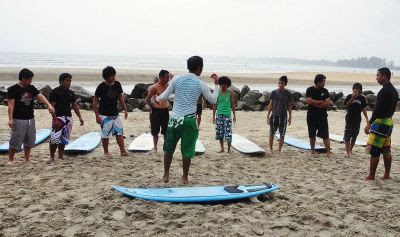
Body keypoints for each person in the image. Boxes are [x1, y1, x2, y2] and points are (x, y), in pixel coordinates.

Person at [155, 56, 219, 184]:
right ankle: (184, 177)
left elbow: (164, 96)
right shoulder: (200, 83)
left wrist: (155, 100)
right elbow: (213, 100)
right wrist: (216, 85)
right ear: (200, 68)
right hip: (189, 120)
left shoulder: (177, 79)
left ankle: (166, 175)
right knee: (187, 149)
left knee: (169, 148)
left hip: (175, 119)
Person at [7, 68, 55, 165]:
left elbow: (40, 96)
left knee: (29, 140)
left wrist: (49, 105)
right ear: (23, 78)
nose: (31, 81)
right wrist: (10, 119)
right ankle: (11, 159)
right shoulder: (13, 89)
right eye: (29, 79)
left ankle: (27, 159)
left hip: (30, 118)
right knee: (15, 139)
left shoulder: (31, 88)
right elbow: (11, 105)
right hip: (18, 119)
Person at [364, 68, 398, 180]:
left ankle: (371, 175)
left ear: (384, 76)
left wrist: (369, 123)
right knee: (386, 149)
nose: (376, 77)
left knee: (374, 150)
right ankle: (386, 174)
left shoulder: (384, 91)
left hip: (380, 123)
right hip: (389, 122)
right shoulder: (394, 90)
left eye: (378, 75)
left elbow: (377, 110)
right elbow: (393, 108)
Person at [93, 66, 129, 158]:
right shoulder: (101, 87)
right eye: (111, 76)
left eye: (114, 75)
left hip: (115, 113)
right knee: (105, 134)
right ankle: (106, 152)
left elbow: (121, 97)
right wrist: (97, 116)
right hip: (104, 114)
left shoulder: (117, 84)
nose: (113, 78)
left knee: (119, 132)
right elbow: (95, 101)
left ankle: (123, 151)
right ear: (106, 77)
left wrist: (125, 109)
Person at [48, 73, 84, 163]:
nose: (69, 83)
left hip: (68, 118)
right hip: (58, 117)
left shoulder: (71, 93)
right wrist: (55, 119)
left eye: (70, 81)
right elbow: (52, 107)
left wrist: (80, 117)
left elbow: (75, 106)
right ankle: (52, 157)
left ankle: (60, 155)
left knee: (64, 138)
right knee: (54, 138)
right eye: (67, 81)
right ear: (61, 81)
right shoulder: (55, 92)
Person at [305, 74, 332, 157]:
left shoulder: (325, 91)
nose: (324, 83)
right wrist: (320, 102)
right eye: (323, 81)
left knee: (325, 135)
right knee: (312, 135)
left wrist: (315, 102)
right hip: (311, 116)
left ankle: (328, 152)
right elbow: (308, 101)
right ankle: (313, 151)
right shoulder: (310, 90)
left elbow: (327, 103)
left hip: (322, 116)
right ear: (318, 82)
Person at [146, 69, 170, 153]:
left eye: (169, 77)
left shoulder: (168, 86)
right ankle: (155, 147)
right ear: (161, 77)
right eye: (167, 77)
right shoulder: (154, 87)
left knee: (166, 130)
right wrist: (152, 107)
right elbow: (147, 99)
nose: (168, 79)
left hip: (165, 110)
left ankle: (165, 147)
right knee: (155, 130)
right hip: (156, 111)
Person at [267, 76, 293, 153]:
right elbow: (270, 104)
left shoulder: (288, 94)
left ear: (285, 84)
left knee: (282, 134)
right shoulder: (273, 92)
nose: (280, 84)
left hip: (283, 116)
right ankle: (271, 149)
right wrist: (268, 115)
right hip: (274, 115)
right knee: (271, 132)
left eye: (282, 83)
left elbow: (289, 106)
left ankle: (279, 150)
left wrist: (290, 117)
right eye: (279, 83)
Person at [343, 83, 368, 158]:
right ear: (352, 89)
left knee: (355, 135)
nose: (356, 90)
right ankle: (347, 152)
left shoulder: (362, 98)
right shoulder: (349, 96)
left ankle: (350, 149)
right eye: (355, 89)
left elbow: (363, 108)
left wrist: (367, 118)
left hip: (357, 119)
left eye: (358, 89)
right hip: (349, 118)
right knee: (347, 135)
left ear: (360, 90)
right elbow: (346, 106)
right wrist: (352, 98)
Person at [212, 75, 236, 153]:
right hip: (219, 114)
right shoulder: (217, 93)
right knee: (220, 132)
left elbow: (232, 105)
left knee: (228, 132)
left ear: (227, 85)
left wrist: (234, 116)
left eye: (225, 84)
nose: (223, 86)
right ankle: (222, 148)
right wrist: (213, 116)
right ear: (220, 84)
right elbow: (214, 105)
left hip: (227, 115)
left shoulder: (230, 93)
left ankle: (229, 149)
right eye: (222, 84)